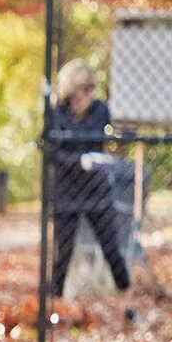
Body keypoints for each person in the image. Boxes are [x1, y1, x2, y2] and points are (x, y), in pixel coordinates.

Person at [42, 57, 135, 303]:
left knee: (111, 248)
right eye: (85, 88)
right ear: (72, 89)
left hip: (96, 189)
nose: (90, 93)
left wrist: (93, 160)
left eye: (92, 88)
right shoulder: (56, 113)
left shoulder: (99, 111)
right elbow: (50, 150)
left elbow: (101, 141)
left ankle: (127, 300)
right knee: (63, 252)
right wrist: (77, 160)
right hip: (66, 191)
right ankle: (56, 303)